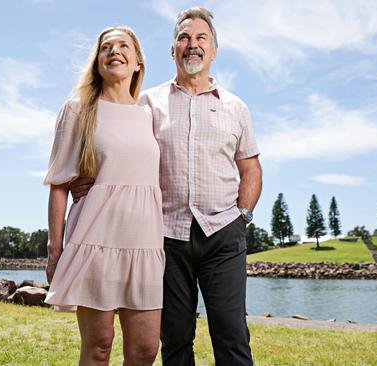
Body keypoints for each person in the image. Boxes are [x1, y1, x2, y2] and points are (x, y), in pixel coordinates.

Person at [70, 7, 262, 366]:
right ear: (172, 49)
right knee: (174, 335)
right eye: (184, 38)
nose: (192, 45)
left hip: (223, 233)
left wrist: (243, 216)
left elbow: (250, 168)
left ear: (214, 50)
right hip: (164, 236)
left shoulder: (237, 107)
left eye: (201, 38)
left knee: (231, 332)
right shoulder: (146, 104)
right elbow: (118, 146)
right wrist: (90, 177)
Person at [43, 26, 164, 366]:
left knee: (145, 350)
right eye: (106, 48)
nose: (115, 51)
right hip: (95, 240)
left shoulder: (149, 113)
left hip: (145, 244)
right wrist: (55, 250)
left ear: (138, 61)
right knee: (99, 345)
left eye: (124, 46)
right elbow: (58, 182)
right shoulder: (78, 109)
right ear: (97, 62)